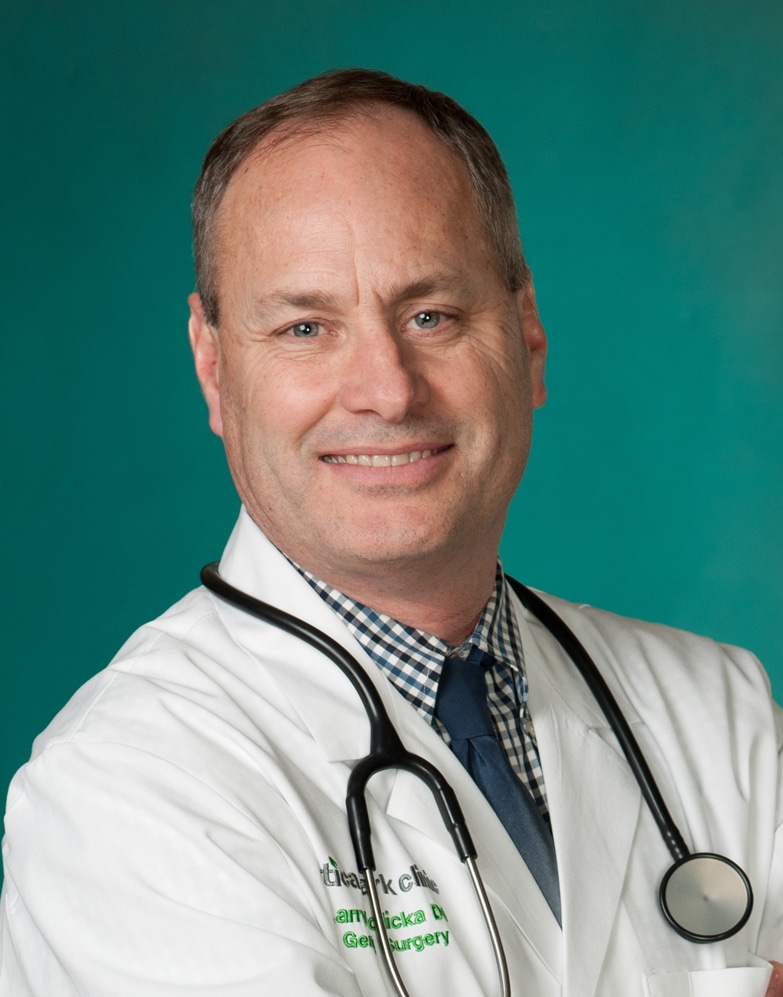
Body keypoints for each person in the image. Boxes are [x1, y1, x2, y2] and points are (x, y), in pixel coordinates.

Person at [1, 69, 781, 997]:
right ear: (212, 367)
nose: (387, 389)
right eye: (304, 327)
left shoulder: (718, 712)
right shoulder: (126, 786)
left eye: (430, 316)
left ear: (526, 333)